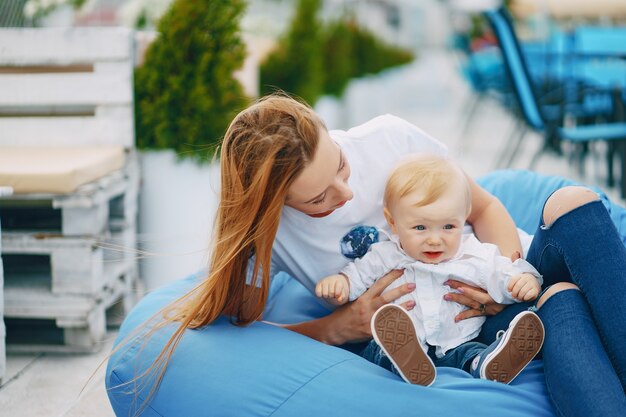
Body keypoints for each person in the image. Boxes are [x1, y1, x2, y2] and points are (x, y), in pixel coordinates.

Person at [145, 94, 626, 416]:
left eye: (340, 164)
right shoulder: (264, 237)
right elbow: (239, 334)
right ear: (276, 204)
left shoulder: (390, 138)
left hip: (505, 274)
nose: (347, 192)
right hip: (471, 330)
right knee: (563, 298)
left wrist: (503, 276)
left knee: (573, 204)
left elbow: (483, 206)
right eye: (318, 199)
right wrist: (337, 327)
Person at [316, 155, 545, 386]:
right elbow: (357, 276)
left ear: (464, 217)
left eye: (448, 226)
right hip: (404, 340)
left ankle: (487, 364)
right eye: (420, 227)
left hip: (454, 341)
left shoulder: (473, 254)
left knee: (470, 352)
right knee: (380, 348)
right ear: (393, 222)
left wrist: (524, 280)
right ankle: (404, 362)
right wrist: (341, 284)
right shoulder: (385, 254)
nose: (435, 240)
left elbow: (503, 274)